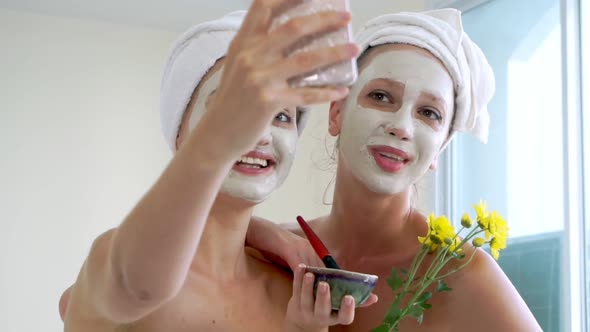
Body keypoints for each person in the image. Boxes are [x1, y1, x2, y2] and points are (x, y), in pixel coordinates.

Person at [59, 1, 366, 330]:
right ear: (181, 134)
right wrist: (219, 139)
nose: (260, 133)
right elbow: (140, 286)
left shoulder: (292, 295)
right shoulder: (113, 260)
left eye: (281, 116)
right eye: (237, 107)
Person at [247, 8, 543, 332]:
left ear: (439, 150)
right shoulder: (272, 253)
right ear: (336, 114)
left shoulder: (462, 274)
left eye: (429, 113)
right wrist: (258, 232)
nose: (402, 127)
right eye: (381, 96)